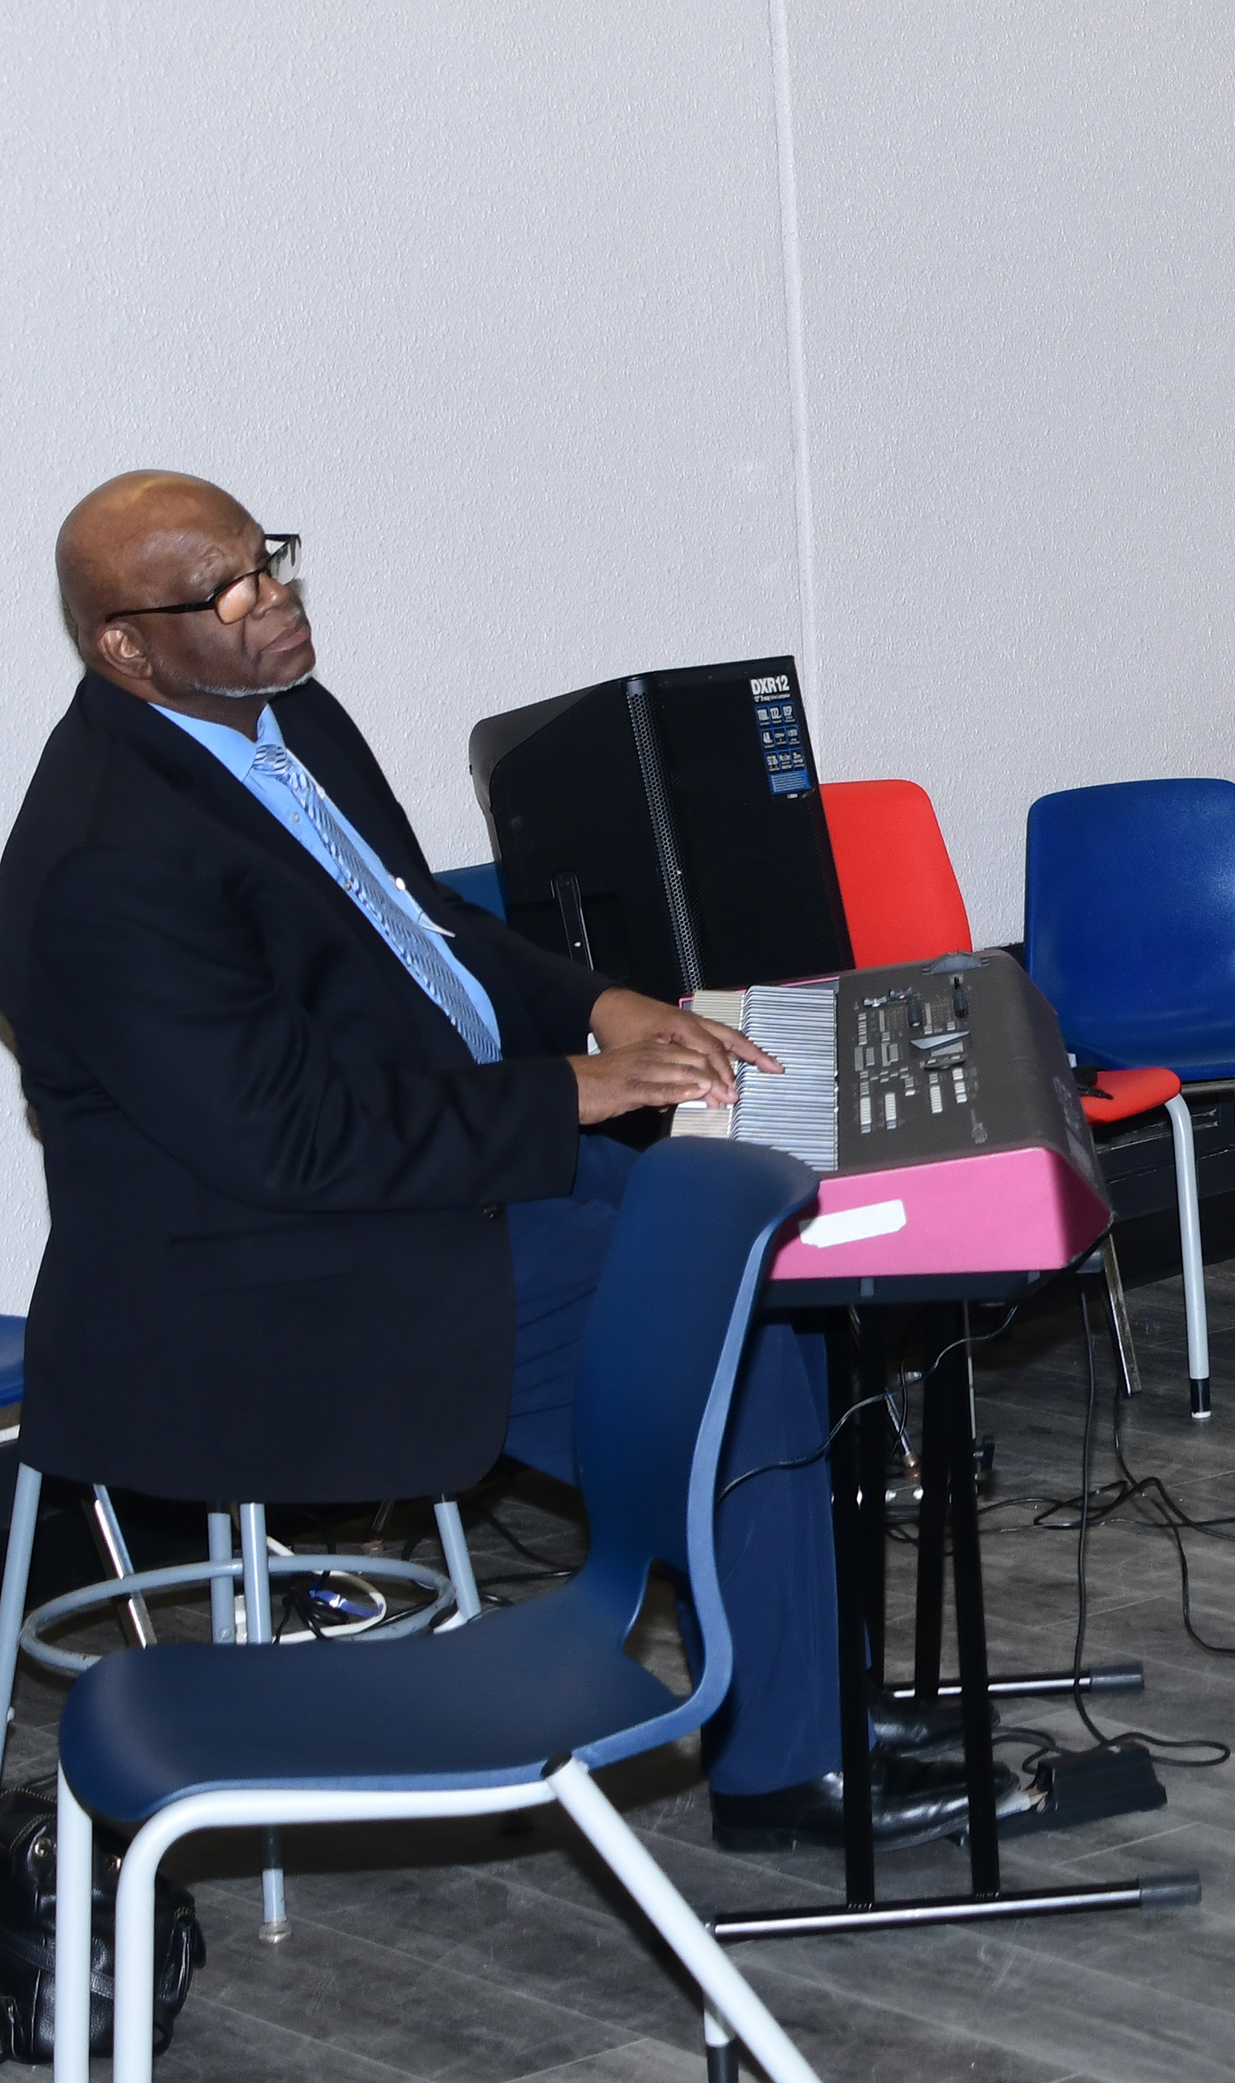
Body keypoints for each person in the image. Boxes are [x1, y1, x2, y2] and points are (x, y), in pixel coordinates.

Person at [0, 470, 971, 1849]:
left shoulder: (280, 718)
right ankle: (785, 1766)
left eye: (267, 561)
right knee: (721, 1340)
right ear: (125, 647)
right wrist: (574, 1089)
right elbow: (293, 1140)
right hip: (277, 1283)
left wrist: (597, 1003)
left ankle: (814, 1690)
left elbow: (422, 927)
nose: (272, 600)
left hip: (434, 1177)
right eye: (226, 593)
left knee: (756, 1265)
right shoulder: (109, 859)